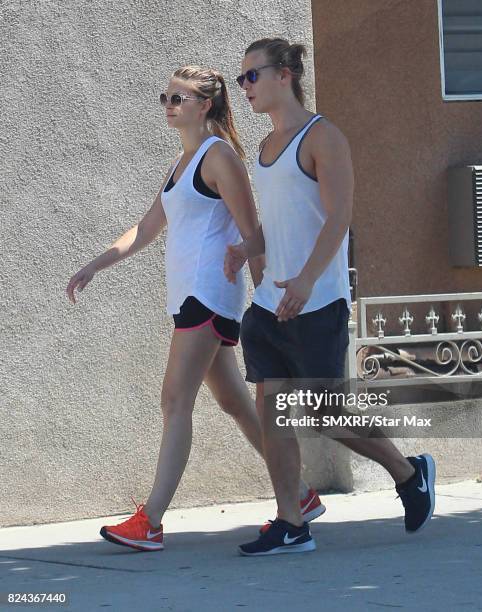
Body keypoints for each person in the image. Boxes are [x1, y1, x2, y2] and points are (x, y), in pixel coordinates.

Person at [66, 65, 324, 552]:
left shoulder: (219, 157)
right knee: (234, 403)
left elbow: (252, 234)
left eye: (178, 98)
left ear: (206, 105)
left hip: (210, 297)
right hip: (188, 298)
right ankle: (301, 495)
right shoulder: (181, 163)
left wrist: (267, 302)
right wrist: (95, 265)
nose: (168, 104)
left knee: (174, 399)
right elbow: (146, 228)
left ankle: (152, 521)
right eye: (164, 97)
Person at [225, 38, 436, 556]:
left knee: (324, 414)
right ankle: (291, 523)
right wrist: (246, 248)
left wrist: (304, 280)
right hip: (270, 306)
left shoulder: (324, 138)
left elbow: (338, 218)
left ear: (284, 75)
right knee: (272, 409)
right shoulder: (265, 149)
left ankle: (408, 473)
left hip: (316, 301)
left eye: (252, 76)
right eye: (241, 78)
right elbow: (281, 225)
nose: (245, 87)